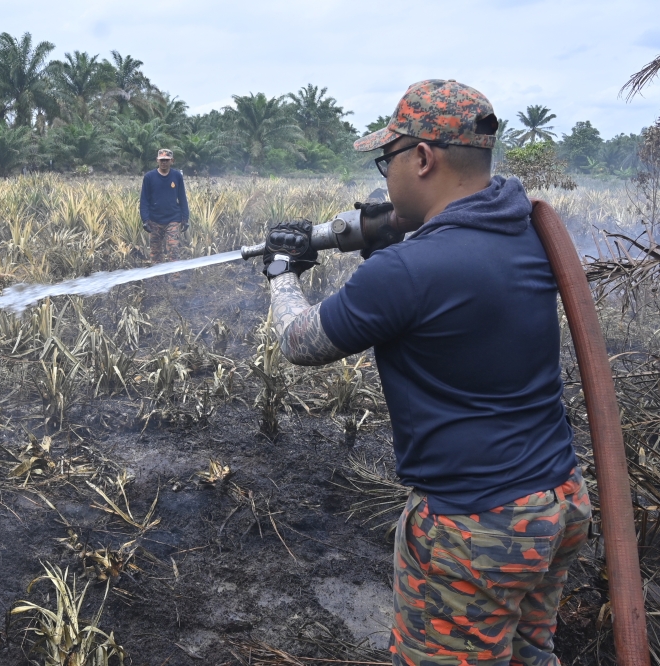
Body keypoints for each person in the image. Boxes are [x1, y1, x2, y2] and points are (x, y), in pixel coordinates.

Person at [260, 80, 589, 665]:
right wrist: (388, 230)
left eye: (388, 161)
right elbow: (452, 247)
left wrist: (281, 273)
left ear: (422, 158)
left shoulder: (408, 272)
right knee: (528, 654)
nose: (385, 179)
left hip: (476, 526)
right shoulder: (525, 225)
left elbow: (299, 342)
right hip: (557, 501)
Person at [140, 148, 190, 263]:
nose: (164, 162)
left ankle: (175, 279)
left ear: (172, 161)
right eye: (162, 160)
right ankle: (158, 280)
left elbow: (182, 198)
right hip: (154, 220)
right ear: (157, 160)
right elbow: (144, 200)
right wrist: (145, 219)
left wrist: (185, 218)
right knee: (155, 253)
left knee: (173, 250)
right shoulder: (149, 177)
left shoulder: (177, 176)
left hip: (173, 219)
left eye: (166, 160)